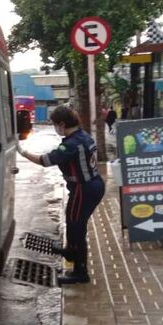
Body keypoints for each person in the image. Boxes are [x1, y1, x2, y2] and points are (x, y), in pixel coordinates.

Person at [17, 105, 105, 286]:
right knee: (74, 223)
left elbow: (45, 161)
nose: (55, 128)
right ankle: (71, 253)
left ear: (62, 124)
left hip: (83, 189)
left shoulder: (70, 145)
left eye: (55, 124)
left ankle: (80, 272)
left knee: (76, 228)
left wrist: (22, 152)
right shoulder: (83, 136)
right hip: (93, 185)